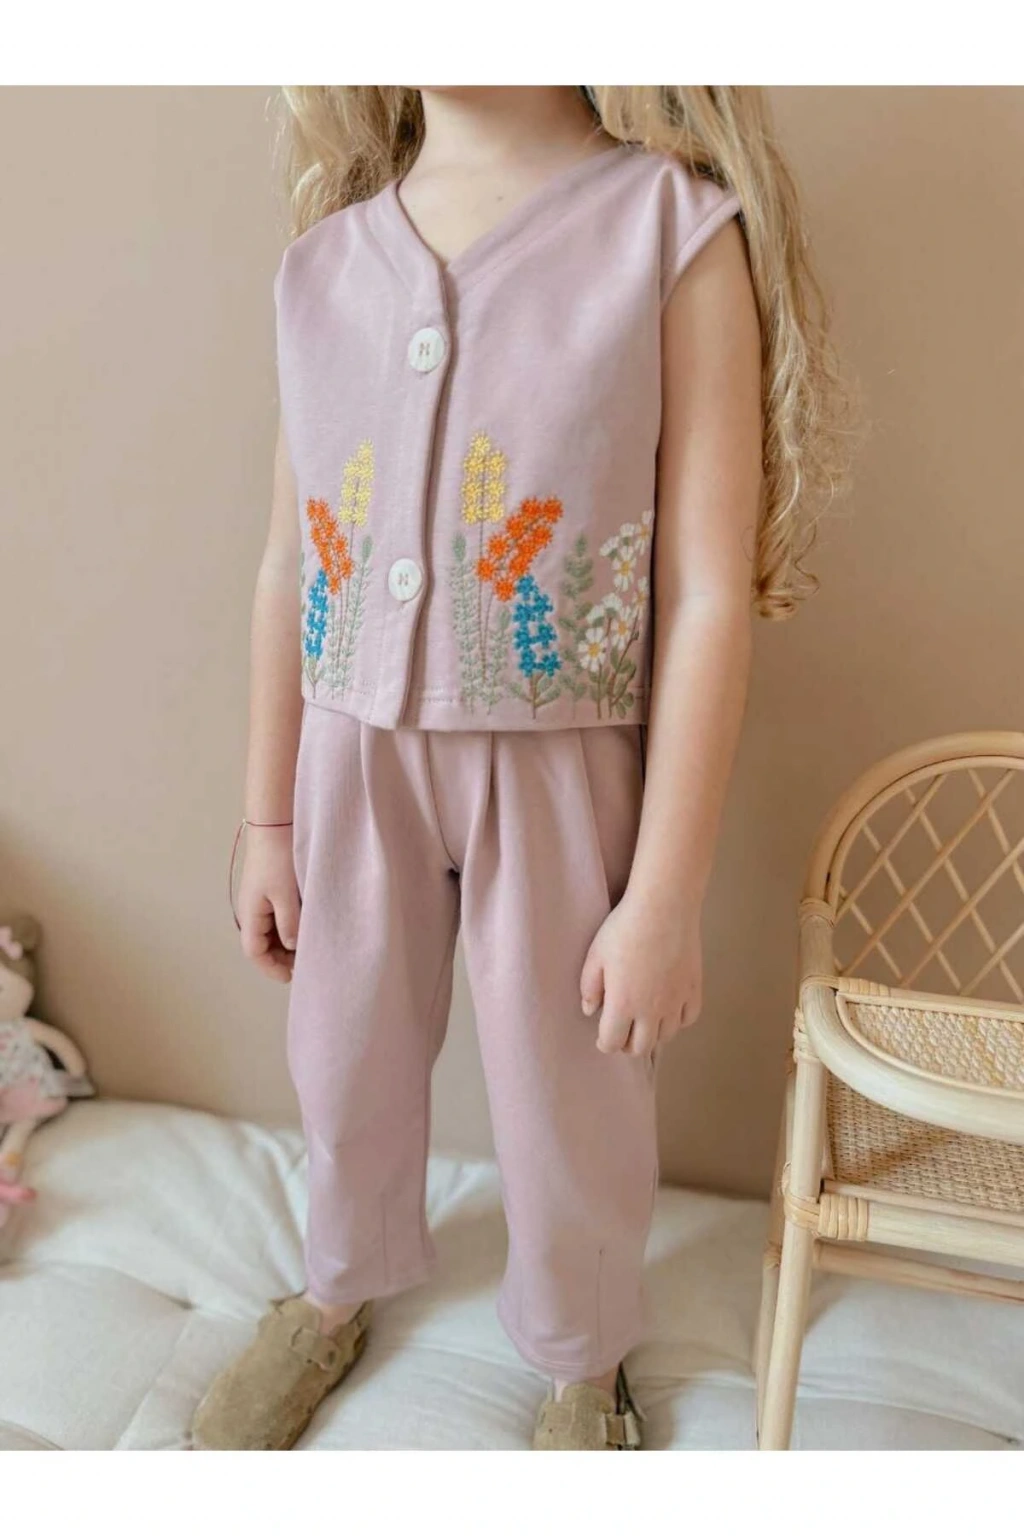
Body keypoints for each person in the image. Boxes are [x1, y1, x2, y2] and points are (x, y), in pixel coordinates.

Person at [193, 85, 852, 1451]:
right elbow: (287, 562)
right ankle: (337, 1284)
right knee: (341, 1057)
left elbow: (706, 595)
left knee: (574, 1094)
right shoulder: (325, 262)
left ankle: (583, 1349)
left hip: (560, 766)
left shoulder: (671, 232)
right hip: (350, 759)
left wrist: (664, 894)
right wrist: (266, 817)